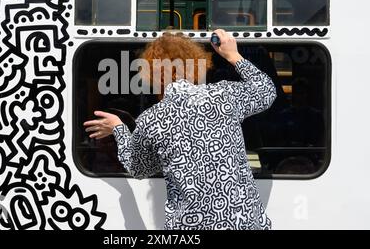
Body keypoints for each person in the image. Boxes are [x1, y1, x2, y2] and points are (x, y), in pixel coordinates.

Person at [84, 29, 277, 230]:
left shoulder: (152, 119)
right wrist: (232, 55)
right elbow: (265, 91)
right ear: (196, 65)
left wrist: (118, 129)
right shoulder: (223, 96)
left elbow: (138, 168)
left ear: (152, 74)